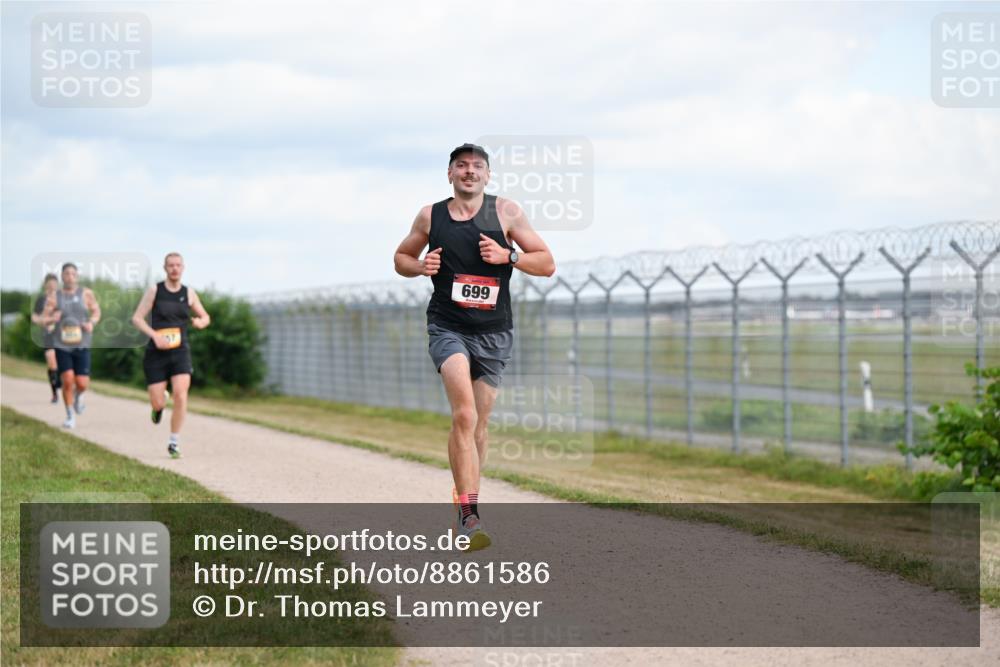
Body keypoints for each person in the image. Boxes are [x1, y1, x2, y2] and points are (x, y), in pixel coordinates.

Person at [393, 143, 555, 551]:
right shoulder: (431, 215)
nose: (469, 172)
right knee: (463, 414)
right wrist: (419, 266)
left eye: (477, 167)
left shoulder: (507, 213)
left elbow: (547, 263)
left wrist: (509, 256)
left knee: (479, 424)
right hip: (448, 326)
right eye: (461, 166)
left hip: (494, 331)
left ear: (487, 175)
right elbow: (400, 257)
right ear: (449, 174)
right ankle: (470, 518)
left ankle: (464, 496)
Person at [131, 252, 211, 459]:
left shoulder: (189, 293)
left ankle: (174, 441)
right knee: (158, 401)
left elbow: (205, 316)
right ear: (165, 268)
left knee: (181, 394)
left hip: (180, 351)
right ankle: (159, 405)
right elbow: (137, 318)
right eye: (171, 265)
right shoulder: (155, 290)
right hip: (156, 353)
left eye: (178, 265)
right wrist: (154, 335)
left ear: (183, 268)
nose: (175, 268)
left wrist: (200, 322)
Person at [43, 263, 101, 428]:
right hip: (62, 345)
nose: (70, 277)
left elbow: (96, 312)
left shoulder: (86, 293)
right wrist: (52, 318)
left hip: (82, 343)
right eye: (66, 274)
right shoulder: (55, 296)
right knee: (68, 380)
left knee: (82, 383)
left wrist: (91, 322)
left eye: (73, 274)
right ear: (62, 276)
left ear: (77, 276)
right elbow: (44, 318)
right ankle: (70, 416)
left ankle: (78, 396)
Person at [30, 273, 62, 402]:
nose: (52, 287)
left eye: (54, 284)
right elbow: (35, 317)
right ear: (45, 285)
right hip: (47, 334)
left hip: (62, 334)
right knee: (51, 361)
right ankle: (55, 392)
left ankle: (61, 383)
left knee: (62, 362)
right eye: (49, 285)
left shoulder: (62, 298)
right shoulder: (41, 299)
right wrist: (42, 320)